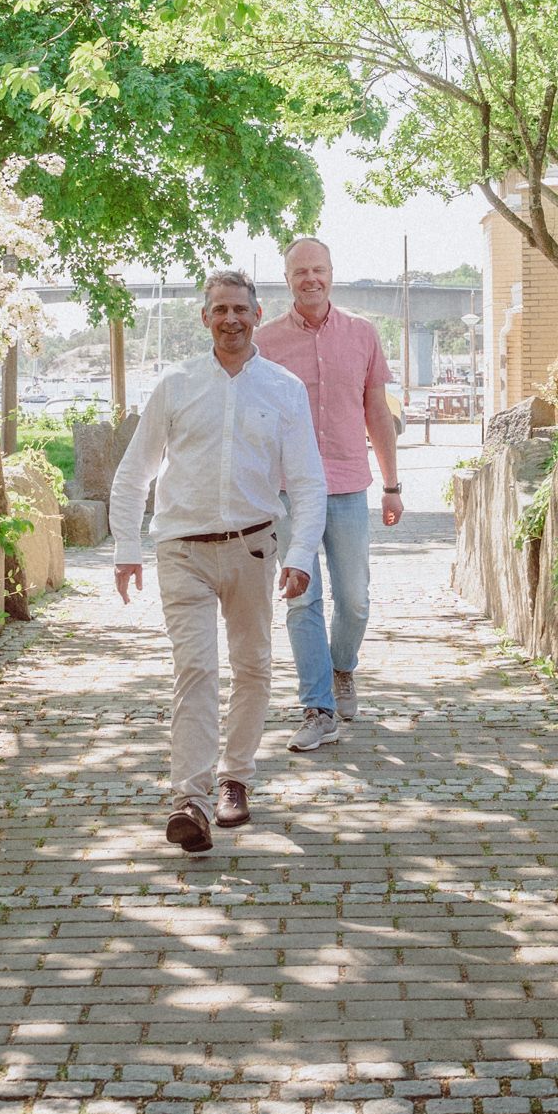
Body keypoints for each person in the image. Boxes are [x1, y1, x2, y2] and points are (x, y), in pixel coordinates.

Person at [111, 268, 326, 853]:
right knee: (197, 670)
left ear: (258, 315)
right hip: (181, 551)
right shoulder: (175, 384)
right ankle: (191, 797)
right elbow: (134, 473)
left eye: (240, 309)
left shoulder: (284, 389)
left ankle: (236, 779)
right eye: (219, 309)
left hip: (255, 548)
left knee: (253, 667)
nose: (230, 319)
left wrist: (301, 553)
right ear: (204, 318)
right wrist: (127, 549)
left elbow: (308, 483)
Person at [256, 236, 402, 752]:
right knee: (303, 600)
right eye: (300, 272)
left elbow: (378, 413)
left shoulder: (362, 334)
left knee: (356, 600)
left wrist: (392, 485)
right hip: (289, 492)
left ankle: (342, 668)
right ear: (288, 279)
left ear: (332, 273)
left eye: (318, 270)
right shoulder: (265, 342)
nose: (310, 279)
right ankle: (317, 708)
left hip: (345, 486)